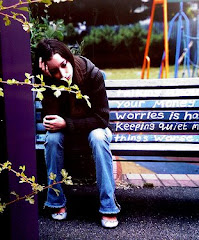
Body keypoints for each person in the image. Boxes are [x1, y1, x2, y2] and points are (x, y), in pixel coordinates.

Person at [36, 39, 120, 228]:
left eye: (64, 65)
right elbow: (50, 120)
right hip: (68, 133)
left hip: (93, 129)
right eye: (54, 70)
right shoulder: (51, 81)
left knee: (99, 137)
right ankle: (55, 201)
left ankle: (109, 206)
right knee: (52, 138)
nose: (63, 74)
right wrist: (48, 82)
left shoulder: (92, 74)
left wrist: (67, 123)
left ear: (68, 57)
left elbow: (101, 119)